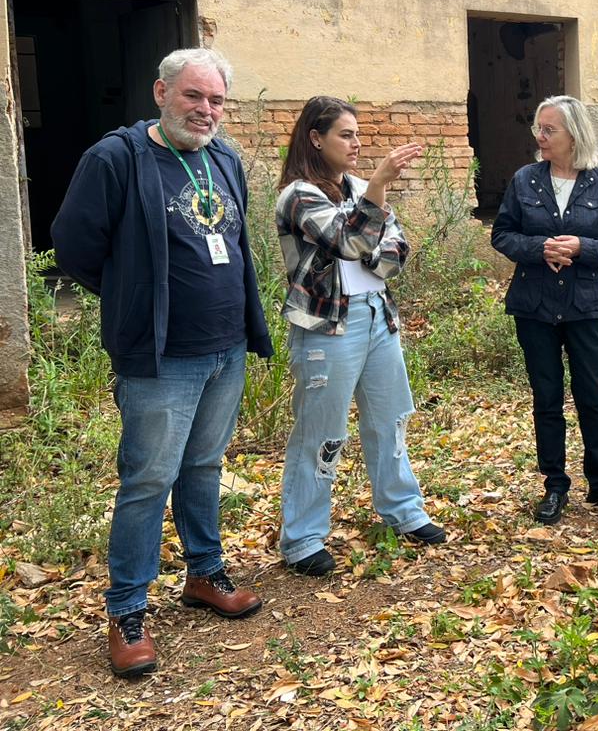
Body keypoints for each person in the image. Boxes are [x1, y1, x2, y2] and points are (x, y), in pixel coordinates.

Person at [52, 48, 272, 679]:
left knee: (204, 465)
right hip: (160, 357)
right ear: (161, 93)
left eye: (216, 100)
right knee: (148, 479)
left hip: (225, 346)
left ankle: (204, 574)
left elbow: (234, 240)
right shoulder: (116, 158)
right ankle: (127, 611)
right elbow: (74, 246)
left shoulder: (223, 158)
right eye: (193, 96)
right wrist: (133, 296)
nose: (205, 110)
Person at [276, 96, 447, 576]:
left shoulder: (356, 188)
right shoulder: (298, 195)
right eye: (345, 134)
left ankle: (404, 511)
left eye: (358, 134)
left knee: (390, 419)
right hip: (328, 325)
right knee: (322, 432)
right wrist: (375, 197)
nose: (356, 143)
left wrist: (365, 237)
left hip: (377, 315)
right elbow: (347, 241)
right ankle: (303, 538)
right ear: (316, 138)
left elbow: (396, 250)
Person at [491, 95, 598, 525]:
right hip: (534, 306)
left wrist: (581, 247)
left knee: (592, 397)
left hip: (585, 307)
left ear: (573, 134)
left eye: (549, 129)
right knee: (547, 397)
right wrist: (539, 248)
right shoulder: (524, 180)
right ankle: (555, 485)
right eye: (538, 128)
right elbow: (502, 234)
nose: (540, 136)